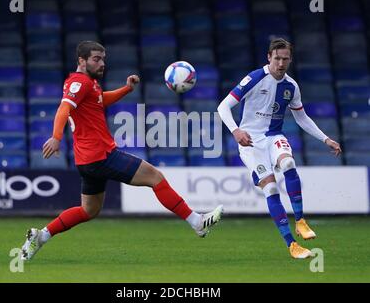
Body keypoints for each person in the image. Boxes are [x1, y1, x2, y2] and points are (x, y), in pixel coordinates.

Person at [21, 41, 223, 261]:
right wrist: (56, 137)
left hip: (87, 161)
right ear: (81, 61)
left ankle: (41, 236)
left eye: (103, 59)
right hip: (102, 155)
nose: (102, 63)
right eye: (96, 59)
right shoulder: (80, 82)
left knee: (89, 210)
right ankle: (197, 222)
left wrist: (127, 89)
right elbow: (64, 108)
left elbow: (100, 101)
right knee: (155, 177)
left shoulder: (89, 84)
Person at [217, 38, 342, 259]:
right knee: (272, 189)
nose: (281, 63)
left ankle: (301, 221)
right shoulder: (255, 78)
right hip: (250, 142)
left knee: (289, 162)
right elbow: (223, 106)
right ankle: (292, 246)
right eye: (277, 58)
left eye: (285, 59)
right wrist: (236, 131)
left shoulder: (291, 86)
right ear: (269, 57)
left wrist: (326, 139)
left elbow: (302, 118)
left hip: (274, 136)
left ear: (290, 59)